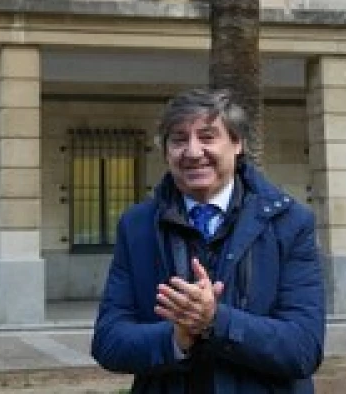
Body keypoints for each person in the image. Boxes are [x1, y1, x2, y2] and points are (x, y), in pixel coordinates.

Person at [91, 89, 326, 394]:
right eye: (178, 139)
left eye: (207, 136)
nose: (192, 152)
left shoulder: (290, 223)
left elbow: (303, 348)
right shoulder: (137, 226)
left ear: (237, 143)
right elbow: (109, 342)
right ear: (165, 152)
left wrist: (216, 321)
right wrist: (176, 338)